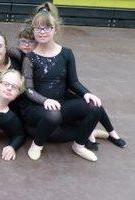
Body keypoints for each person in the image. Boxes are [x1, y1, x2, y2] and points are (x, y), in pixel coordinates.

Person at [14, 21, 126, 150]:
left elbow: (72, 83)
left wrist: (86, 93)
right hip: (33, 108)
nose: (27, 45)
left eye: (31, 42)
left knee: (93, 103)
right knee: (56, 133)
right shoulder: (20, 58)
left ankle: (107, 132)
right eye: (23, 42)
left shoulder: (51, 55)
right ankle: (89, 132)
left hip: (56, 100)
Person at [21, 2, 102, 161]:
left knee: (95, 107)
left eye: (46, 28)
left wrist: (87, 94)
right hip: (36, 106)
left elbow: (73, 82)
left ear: (55, 29)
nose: (42, 32)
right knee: (53, 115)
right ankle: (37, 145)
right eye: (38, 28)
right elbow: (28, 89)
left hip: (60, 104)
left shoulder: (66, 53)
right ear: (33, 30)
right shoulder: (30, 57)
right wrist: (45, 100)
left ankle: (79, 145)